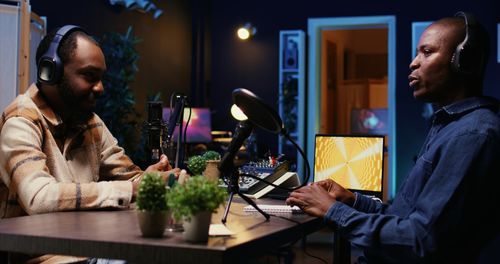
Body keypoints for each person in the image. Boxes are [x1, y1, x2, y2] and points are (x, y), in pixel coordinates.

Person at [287, 12, 500, 263]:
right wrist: (353, 200)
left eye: (427, 52)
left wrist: (333, 210)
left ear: (465, 60)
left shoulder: (472, 135)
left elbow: (420, 241)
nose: (413, 63)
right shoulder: (450, 127)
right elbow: (406, 218)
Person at [0, 26, 178, 263]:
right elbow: (40, 197)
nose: (100, 87)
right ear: (50, 71)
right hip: (45, 257)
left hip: (90, 248)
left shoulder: (89, 121)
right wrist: (136, 189)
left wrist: (155, 180)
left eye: (101, 78)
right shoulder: (20, 122)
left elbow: (130, 179)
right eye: (89, 76)